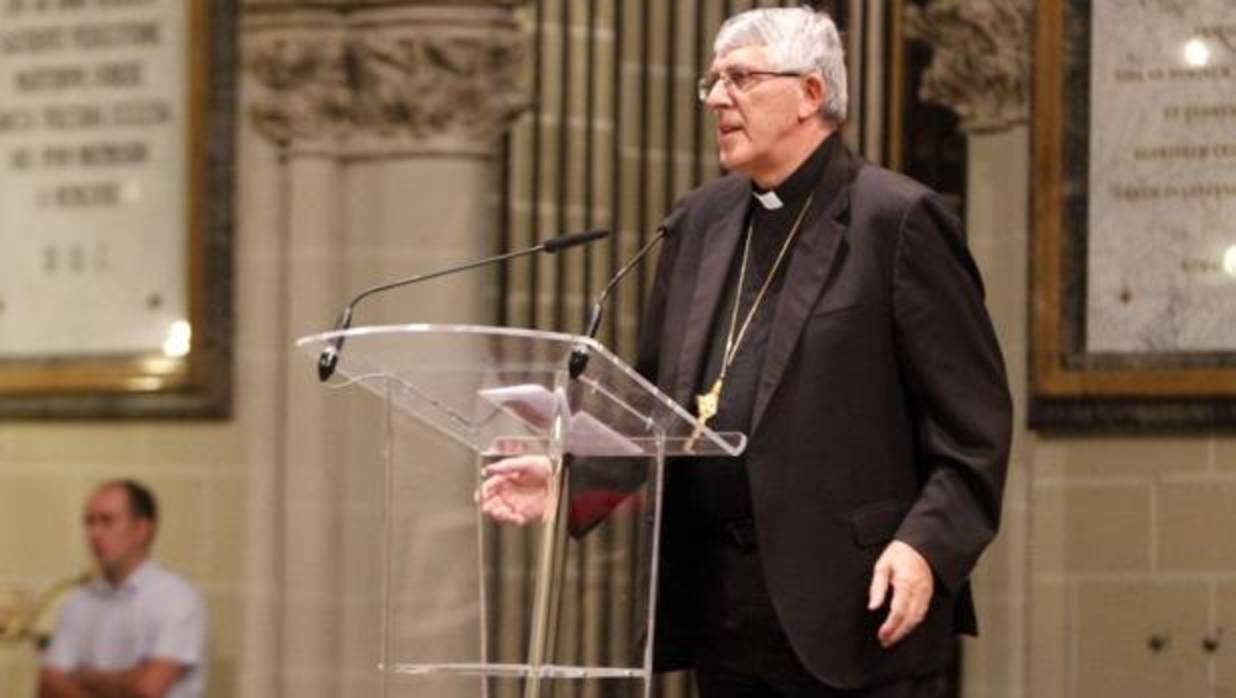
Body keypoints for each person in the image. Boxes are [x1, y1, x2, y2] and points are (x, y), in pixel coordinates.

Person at [479, 6, 1012, 696]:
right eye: (712, 81)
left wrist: (926, 549)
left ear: (811, 94)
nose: (717, 98)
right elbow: (652, 408)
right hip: (721, 613)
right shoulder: (697, 222)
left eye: (741, 78)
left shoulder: (896, 221)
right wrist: (570, 481)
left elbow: (974, 430)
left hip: (856, 612)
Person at [38, 480, 207, 698]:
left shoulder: (176, 598)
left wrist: (84, 676)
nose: (95, 534)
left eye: (107, 521)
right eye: (90, 522)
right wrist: (125, 679)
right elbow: (47, 686)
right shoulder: (78, 602)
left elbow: (148, 688)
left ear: (142, 529)